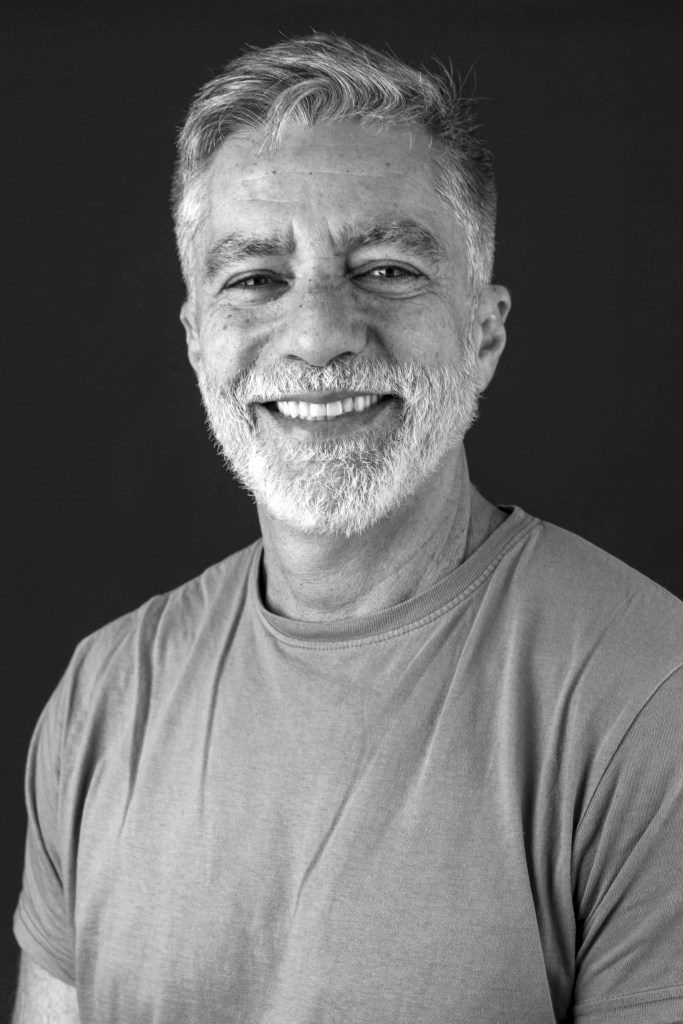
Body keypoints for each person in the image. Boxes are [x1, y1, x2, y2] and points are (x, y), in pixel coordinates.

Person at [11, 32, 683, 1024]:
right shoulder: (103, 696)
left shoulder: (650, 701)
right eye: (254, 279)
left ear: (484, 332)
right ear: (197, 340)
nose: (319, 334)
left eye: (386, 269)